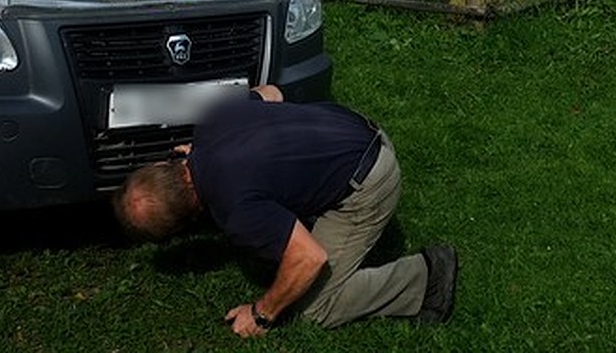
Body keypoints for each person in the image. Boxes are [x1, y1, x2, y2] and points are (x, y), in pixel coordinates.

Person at [113, 84, 457, 336]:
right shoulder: (212, 120)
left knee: (316, 308)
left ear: (186, 223)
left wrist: (262, 314)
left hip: (370, 181)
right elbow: (273, 93)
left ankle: (426, 278)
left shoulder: (235, 212)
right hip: (355, 127)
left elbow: (309, 258)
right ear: (165, 161)